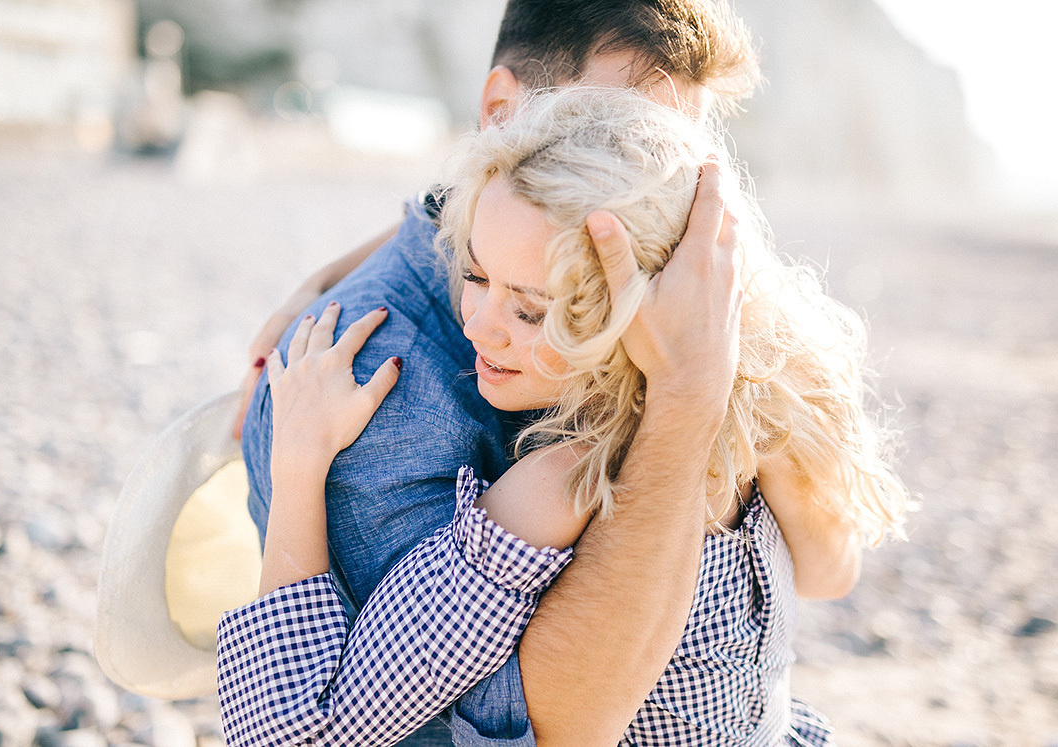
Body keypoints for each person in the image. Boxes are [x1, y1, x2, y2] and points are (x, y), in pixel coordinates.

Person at [235, 1, 876, 744]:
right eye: (609, 140)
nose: (652, 185)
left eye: (673, 150)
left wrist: (748, 386)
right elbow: (540, 726)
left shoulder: (658, 318)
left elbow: (828, 567)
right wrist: (687, 398)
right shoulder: (380, 382)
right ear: (505, 117)